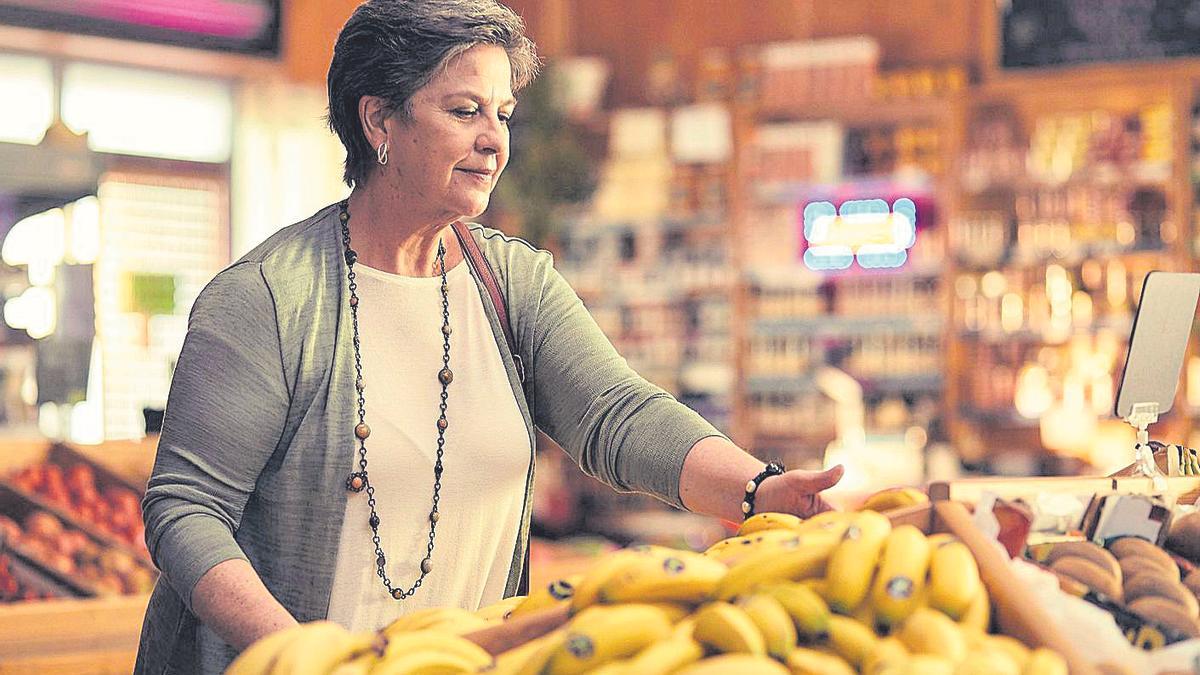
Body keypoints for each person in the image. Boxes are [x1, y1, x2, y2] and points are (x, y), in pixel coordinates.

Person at [134, 0, 844, 672]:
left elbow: (616, 414)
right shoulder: (266, 299)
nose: (493, 139)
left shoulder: (510, 282)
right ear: (379, 120)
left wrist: (758, 488)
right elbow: (185, 510)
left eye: (502, 113)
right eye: (464, 110)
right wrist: (303, 657)